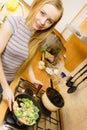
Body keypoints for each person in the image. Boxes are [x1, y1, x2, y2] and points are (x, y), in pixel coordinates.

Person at [0, 0, 64, 111]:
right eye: (42, 13)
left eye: (49, 21)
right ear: (35, 6)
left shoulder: (37, 37)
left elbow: (26, 58)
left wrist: (33, 78)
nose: (43, 22)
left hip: (8, 81)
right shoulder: (13, 23)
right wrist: (5, 87)